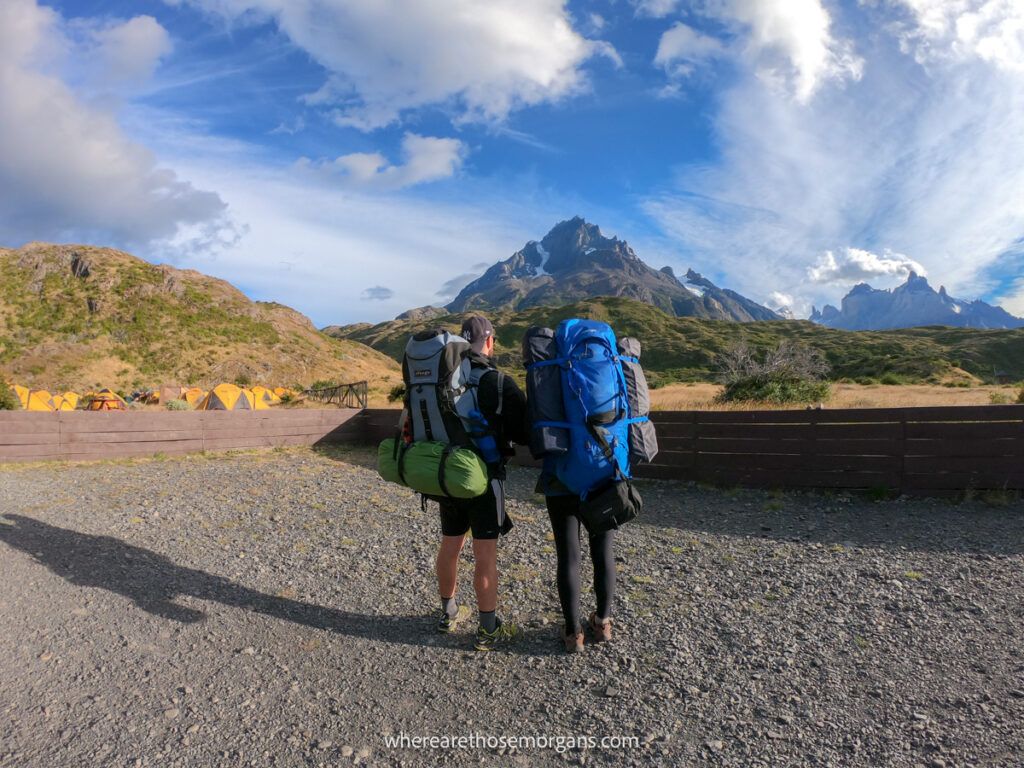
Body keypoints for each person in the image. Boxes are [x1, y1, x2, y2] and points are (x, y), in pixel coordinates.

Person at [435, 315, 529, 652]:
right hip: (485, 479)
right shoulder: (497, 381)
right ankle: (488, 629)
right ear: (488, 340)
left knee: (450, 546)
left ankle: (447, 612)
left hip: (447, 476)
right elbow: (524, 432)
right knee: (484, 555)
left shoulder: (441, 378)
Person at [537, 469, 617, 653]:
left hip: (560, 481)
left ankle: (573, 633)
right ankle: (602, 623)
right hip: (602, 479)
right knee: (604, 551)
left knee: (568, 556)